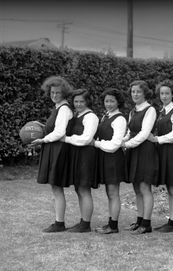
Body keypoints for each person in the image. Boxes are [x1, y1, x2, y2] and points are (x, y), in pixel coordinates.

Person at [31, 76, 74, 233]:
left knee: (57, 187)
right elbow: (54, 128)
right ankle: (58, 221)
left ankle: (59, 223)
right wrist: (42, 126)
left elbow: (60, 132)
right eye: (52, 92)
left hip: (58, 150)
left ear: (64, 93)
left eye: (58, 92)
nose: (54, 95)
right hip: (53, 149)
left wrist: (43, 139)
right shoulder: (58, 107)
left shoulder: (64, 109)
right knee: (55, 188)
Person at [148, 79, 173, 233]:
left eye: (167, 93)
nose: (164, 96)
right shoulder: (160, 111)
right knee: (169, 187)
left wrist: (157, 139)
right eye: (162, 93)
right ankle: (170, 220)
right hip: (163, 151)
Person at [122, 80, 158, 234]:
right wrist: (121, 141)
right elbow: (129, 132)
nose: (135, 94)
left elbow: (144, 134)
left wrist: (127, 144)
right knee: (136, 187)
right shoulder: (132, 111)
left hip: (145, 151)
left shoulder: (150, 110)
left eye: (138, 92)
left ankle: (147, 224)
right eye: (133, 92)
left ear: (145, 93)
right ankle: (139, 219)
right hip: (133, 150)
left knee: (144, 187)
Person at [62, 88, 99, 233]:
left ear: (88, 101)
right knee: (79, 188)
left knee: (84, 188)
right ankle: (83, 221)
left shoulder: (91, 117)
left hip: (86, 156)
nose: (78, 104)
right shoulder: (78, 115)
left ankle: (86, 224)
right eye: (76, 101)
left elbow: (86, 138)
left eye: (81, 101)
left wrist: (67, 139)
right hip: (77, 154)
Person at [94, 88, 127, 234]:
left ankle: (113, 226)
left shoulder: (119, 119)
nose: (108, 104)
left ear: (118, 102)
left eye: (112, 101)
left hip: (113, 159)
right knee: (109, 192)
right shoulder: (106, 116)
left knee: (113, 192)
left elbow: (115, 145)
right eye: (106, 101)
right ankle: (110, 223)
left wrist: (95, 144)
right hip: (104, 157)